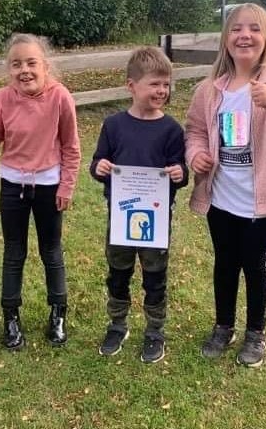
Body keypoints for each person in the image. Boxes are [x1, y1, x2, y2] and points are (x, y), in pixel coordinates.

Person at [185, 3, 266, 367]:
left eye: (254, 29)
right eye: (236, 29)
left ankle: (255, 333)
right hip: (221, 198)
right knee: (225, 263)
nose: (245, 35)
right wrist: (195, 154)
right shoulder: (210, 90)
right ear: (226, 39)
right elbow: (195, 130)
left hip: (263, 201)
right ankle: (223, 326)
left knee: (255, 265)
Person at [0, 33, 80, 349]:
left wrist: (67, 184)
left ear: (45, 66)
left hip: (49, 185)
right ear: (9, 70)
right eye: (16, 64)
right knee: (14, 251)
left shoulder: (61, 97)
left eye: (32, 63)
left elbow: (71, 147)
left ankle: (58, 314)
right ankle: (11, 317)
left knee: (51, 250)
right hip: (12, 186)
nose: (25, 70)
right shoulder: (3, 98)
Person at [90, 47, 189, 363]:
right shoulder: (114, 125)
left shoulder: (172, 129)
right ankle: (117, 325)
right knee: (118, 272)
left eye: (166, 84)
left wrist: (179, 173)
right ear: (131, 86)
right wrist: (100, 168)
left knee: (155, 275)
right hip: (121, 217)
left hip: (155, 220)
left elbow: (180, 172)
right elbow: (97, 163)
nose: (162, 90)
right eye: (154, 84)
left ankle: (154, 331)